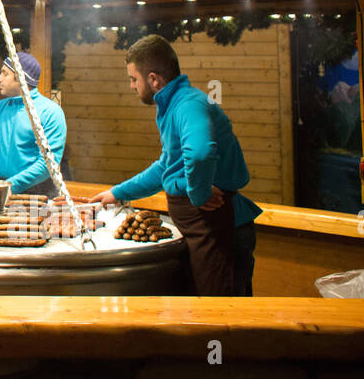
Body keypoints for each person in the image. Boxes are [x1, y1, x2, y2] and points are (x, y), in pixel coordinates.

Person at [91, 34, 262, 296]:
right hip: (201, 226)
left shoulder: (189, 103)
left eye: (133, 79)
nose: (131, 86)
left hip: (218, 225)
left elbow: (201, 154)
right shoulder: (172, 105)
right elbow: (166, 167)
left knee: (221, 317)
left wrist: (199, 194)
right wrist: (117, 193)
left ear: (153, 79)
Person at [0, 52, 66, 197]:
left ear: (20, 77)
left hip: (38, 194)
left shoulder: (50, 112)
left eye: (5, 74)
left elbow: (47, 165)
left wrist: (8, 187)